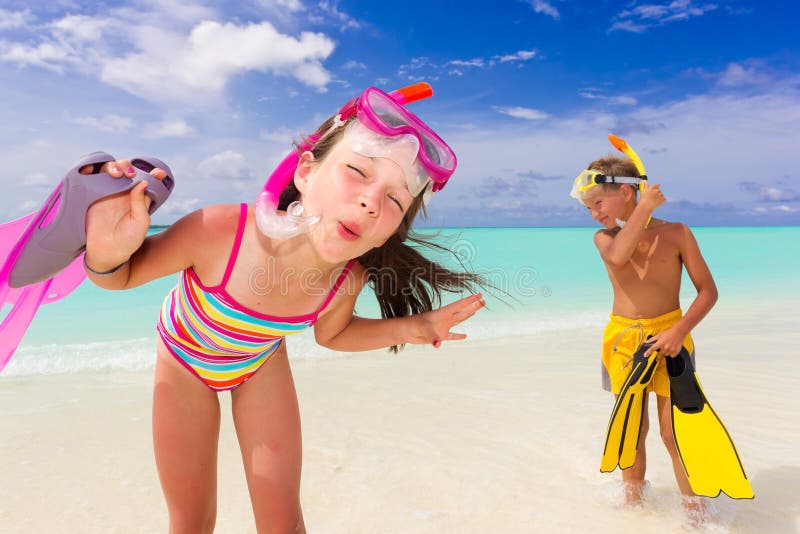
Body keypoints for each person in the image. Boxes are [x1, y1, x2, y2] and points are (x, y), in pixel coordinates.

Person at [82, 86, 486, 533]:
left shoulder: (344, 280)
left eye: (395, 200)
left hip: (259, 366)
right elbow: (118, 277)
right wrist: (107, 249)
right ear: (306, 171)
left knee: (283, 524)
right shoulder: (220, 231)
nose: (372, 201)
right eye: (357, 171)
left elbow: (333, 335)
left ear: (389, 230)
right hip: (182, 366)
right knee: (191, 521)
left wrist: (412, 327)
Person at [570, 155, 718, 513]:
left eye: (598, 203)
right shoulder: (604, 238)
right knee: (632, 430)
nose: (593, 213)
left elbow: (708, 292)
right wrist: (644, 207)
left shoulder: (677, 233)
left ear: (625, 191)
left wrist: (678, 332)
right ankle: (633, 507)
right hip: (624, 342)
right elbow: (620, 258)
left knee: (674, 432)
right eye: (588, 207)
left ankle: (694, 512)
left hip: (673, 338)